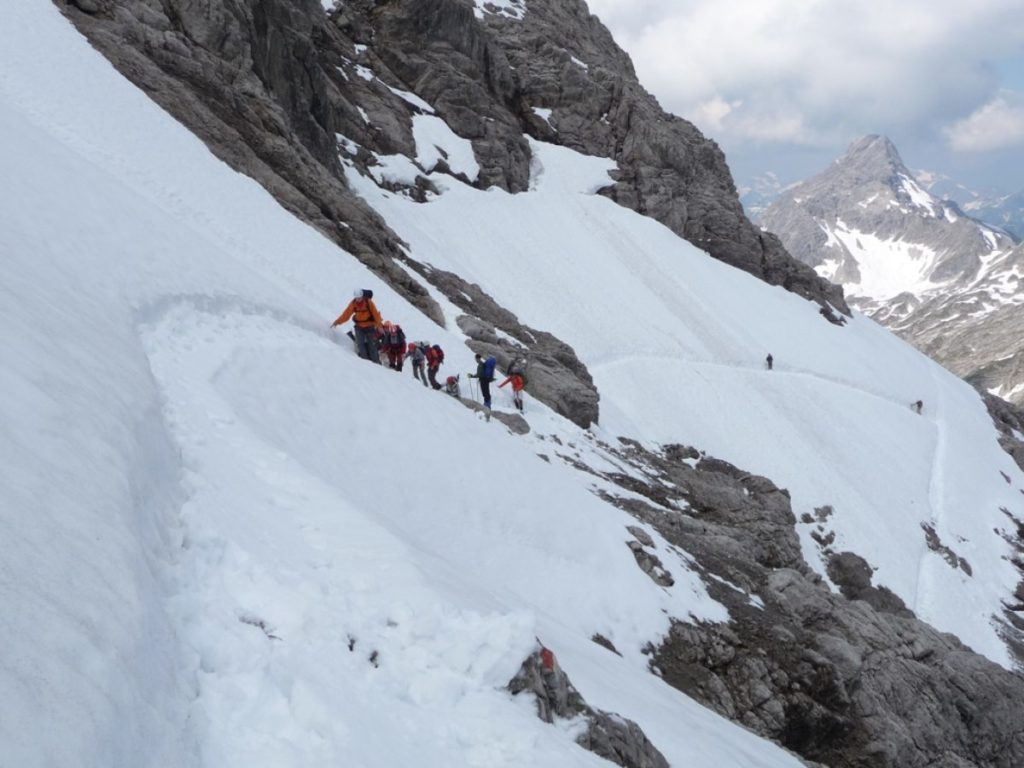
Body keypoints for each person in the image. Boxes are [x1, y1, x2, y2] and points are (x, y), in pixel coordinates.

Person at [331, 289, 383, 363]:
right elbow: (346, 315)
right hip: (359, 327)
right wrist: (337, 322)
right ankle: (365, 363)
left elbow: (375, 314)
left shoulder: (368, 302)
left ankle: (376, 363)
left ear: (362, 296)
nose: (358, 300)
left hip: (370, 327)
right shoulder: (353, 304)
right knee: (360, 345)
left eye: (360, 298)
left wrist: (379, 326)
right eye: (357, 298)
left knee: (372, 346)